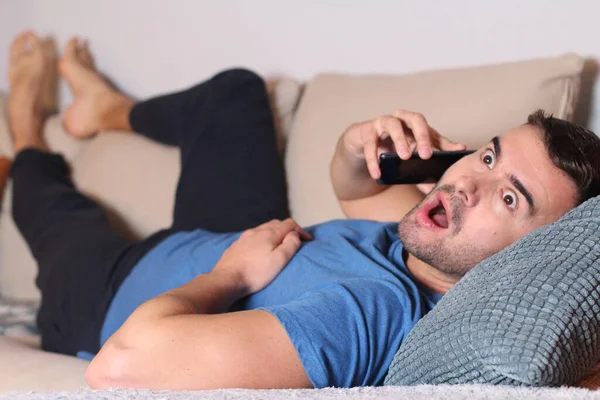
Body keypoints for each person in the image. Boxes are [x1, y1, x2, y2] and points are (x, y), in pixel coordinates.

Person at [6, 30, 600, 390]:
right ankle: (106, 111)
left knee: (50, 204)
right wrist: (352, 144)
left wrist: (231, 275)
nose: (469, 180)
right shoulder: (425, 249)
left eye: (509, 197)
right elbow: (361, 193)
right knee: (236, 93)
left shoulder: (373, 312)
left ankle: (26, 135)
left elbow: (120, 367)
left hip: (110, 294)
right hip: (223, 233)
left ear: (540, 252)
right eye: (491, 155)